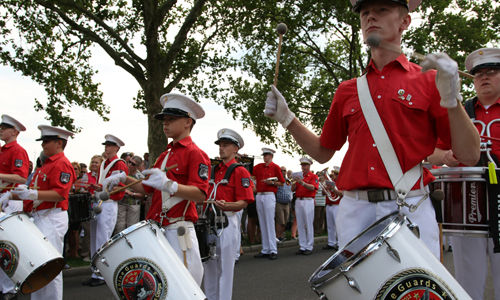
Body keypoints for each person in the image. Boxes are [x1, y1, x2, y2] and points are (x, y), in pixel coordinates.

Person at [264, 0, 480, 259]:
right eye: (365, 12)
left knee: (413, 294)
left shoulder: (429, 80)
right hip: (355, 210)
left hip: (410, 204)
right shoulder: (347, 90)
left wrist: (452, 98)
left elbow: (469, 155)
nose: (370, 17)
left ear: (405, 21)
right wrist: (287, 118)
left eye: (382, 10)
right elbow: (322, 153)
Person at [104, 93, 210, 285]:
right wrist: (123, 177)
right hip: (157, 229)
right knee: (159, 288)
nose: (165, 123)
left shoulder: (196, 153)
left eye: (171, 119)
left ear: (188, 122)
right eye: (164, 120)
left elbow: (201, 195)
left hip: (178, 229)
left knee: (183, 288)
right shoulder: (165, 155)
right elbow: (147, 188)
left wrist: (169, 185)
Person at [427, 47, 500, 300]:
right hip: (467, 207)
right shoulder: (458, 110)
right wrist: (445, 157)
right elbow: (432, 153)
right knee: (467, 284)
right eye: (478, 74)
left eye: (492, 72)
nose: (484, 77)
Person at [1, 125, 76, 300]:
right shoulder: (46, 165)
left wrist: (32, 193)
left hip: (51, 217)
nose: (43, 145)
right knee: (39, 266)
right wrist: (12, 195)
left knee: (50, 267)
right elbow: (33, 192)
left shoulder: (61, 163)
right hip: (41, 217)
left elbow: (60, 194)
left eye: (47, 141)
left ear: (59, 143)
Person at [203, 128, 254, 300]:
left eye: (226, 145)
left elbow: (244, 202)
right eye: (220, 145)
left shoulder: (240, 171)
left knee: (225, 267)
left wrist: (228, 205)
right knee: (209, 266)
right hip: (210, 222)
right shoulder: (213, 170)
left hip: (227, 222)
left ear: (235, 149)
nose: (221, 148)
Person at [83, 134, 128, 287]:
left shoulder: (119, 164)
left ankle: (102, 274)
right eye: (105, 145)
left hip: (108, 203)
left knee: (103, 238)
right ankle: (95, 271)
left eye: (109, 145)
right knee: (96, 238)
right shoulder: (105, 164)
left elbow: (120, 187)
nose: (106, 147)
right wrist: (99, 186)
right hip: (100, 202)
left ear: (117, 148)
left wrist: (102, 187)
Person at [0, 115, 29, 300]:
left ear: (15, 131)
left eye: (5, 127)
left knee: (9, 247)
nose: (1, 130)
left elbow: (20, 178)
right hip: (3, 199)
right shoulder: (3, 150)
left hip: (11, 200)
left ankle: (9, 289)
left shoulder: (17, 150)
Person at [252, 148, 285, 260]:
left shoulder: (275, 167)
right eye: (264, 155)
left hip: (270, 194)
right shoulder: (259, 166)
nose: (264, 157)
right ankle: (265, 249)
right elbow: (249, 171)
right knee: (262, 222)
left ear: (271, 156)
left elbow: (282, 182)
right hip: (260, 194)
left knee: (270, 222)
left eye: (266, 155)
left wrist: (271, 182)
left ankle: (273, 249)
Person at [291, 157, 319, 255]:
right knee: (300, 223)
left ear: (309, 166)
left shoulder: (313, 176)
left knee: (308, 223)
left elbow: (313, 188)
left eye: (305, 165)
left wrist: (302, 183)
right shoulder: (299, 176)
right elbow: (292, 189)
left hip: (308, 200)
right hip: (299, 200)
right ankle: (302, 246)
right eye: (302, 165)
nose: (303, 167)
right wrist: (294, 182)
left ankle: (309, 246)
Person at [114, 155, 145, 234]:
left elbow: (143, 194)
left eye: (133, 164)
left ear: (137, 166)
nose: (130, 164)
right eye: (129, 162)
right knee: (119, 227)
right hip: (121, 202)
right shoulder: (122, 174)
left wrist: (131, 193)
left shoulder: (140, 177)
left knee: (132, 228)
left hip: (134, 204)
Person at [322, 166, 343, 250]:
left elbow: (342, 193)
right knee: (330, 225)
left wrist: (333, 189)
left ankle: (339, 243)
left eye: (336, 174)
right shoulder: (331, 182)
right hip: (329, 205)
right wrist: (324, 188)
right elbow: (323, 194)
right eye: (334, 173)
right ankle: (331, 243)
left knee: (338, 225)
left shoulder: (342, 182)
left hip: (337, 205)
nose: (334, 175)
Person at [275, 166, 292, 243]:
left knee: (285, 221)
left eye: (284, 170)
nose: (283, 172)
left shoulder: (288, 181)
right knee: (280, 221)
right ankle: (278, 236)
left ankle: (281, 235)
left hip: (287, 204)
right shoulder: (277, 180)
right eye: (282, 170)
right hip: (279, 203)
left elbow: (290, 190)